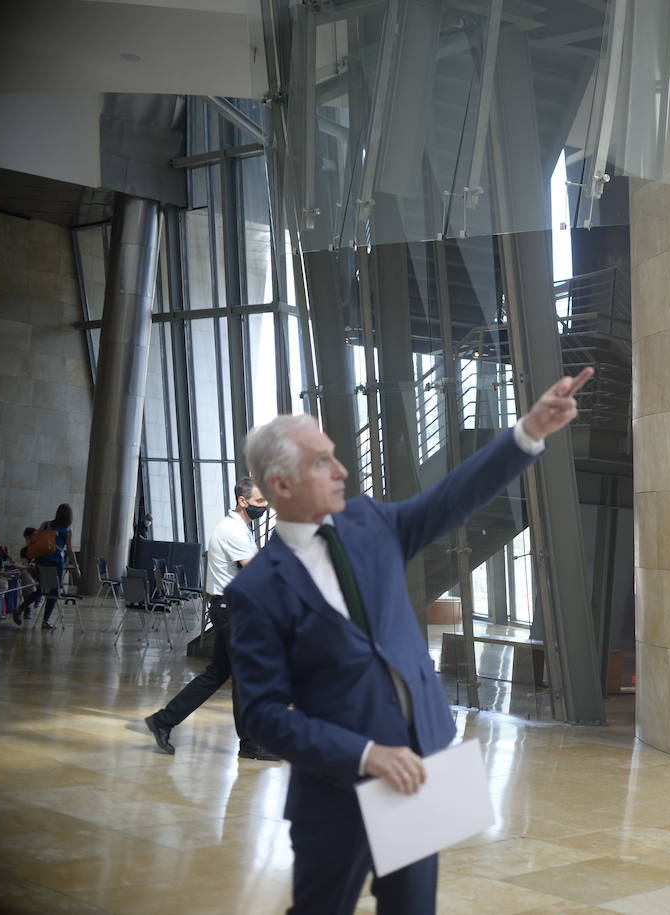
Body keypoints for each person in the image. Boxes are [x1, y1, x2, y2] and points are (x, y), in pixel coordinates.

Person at [229, 367, 592, 915]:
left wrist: (530, 431)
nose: (342, 470)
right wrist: (366, 755)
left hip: (421, 771)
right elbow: (262, 714)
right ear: (280, 485)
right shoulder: (257, 590)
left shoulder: (371, 524)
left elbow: (452, 498)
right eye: (322, 461)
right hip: (335, 794)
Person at [144, 479, 279, 760]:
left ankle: (163, 721)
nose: (264, 507)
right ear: (243, 501)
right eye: (259, 503)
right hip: (232, 610)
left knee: (217, 674)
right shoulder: (233, 531)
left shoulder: (238, 528)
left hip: (228, 606)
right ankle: (250, 744)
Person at [34, 503, 79, 630]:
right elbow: (69, 549)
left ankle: (21, 608)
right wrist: (76, 567)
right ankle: (45, 621)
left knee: (42, 589)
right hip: (56, 562)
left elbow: (35, 538)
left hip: (41, 560)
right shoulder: (68, 529)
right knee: (54, 592)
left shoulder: (46, 524)